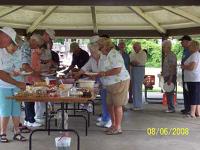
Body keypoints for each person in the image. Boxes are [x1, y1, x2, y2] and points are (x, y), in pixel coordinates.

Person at [73, 38, 111, 128]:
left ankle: (110, 120)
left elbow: (108, 71)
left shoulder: (105, 58)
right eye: (90, 51)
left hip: (109, 82)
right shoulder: (92, 59)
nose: (91, 53)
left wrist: (96, 75)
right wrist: (77, 75)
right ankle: (105, 119)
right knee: (104, 101)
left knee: (109, 101)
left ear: (98, 51)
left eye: (92, 52)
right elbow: (84, 68)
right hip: (100, 81)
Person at [96, 37, 130, 135]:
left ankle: (118, 127)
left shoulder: (115, 54)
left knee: (117, 105)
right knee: (109, 104)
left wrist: (104, 74)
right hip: (110, 84)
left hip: (120, 82)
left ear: (106, 46)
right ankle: (113, 124)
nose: (99, 49)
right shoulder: (105, 55)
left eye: (100, 47)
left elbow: (117, 70)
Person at [0, 27, 27, 143]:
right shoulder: (1, 52)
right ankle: (3, 133)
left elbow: (21, 66)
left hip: (16, 84)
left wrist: (19, 71)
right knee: (5, 110)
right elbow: (1, 73)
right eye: (13, 44)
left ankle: (17, 132)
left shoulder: (17, 52)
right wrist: (18, 82)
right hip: (3, 85)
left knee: (16, 110)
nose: (15, 47)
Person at [23, 34, 44, 127]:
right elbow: (25, 65)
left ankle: (28, 119)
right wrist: (36, 74)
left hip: (30, 78)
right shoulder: (26, 48)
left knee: (30, 100)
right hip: (29, 78)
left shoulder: (29, 49)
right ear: (34, 41)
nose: (37, 47)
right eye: (37, 45)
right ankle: (30, 120)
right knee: (29, 100)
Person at [182, 40, 200, 118]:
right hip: (194, 78)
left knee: (193, 95)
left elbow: (192, 67)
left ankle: (192, 113)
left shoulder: (194, 55)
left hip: (192, 78)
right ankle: (198, 112)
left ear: (193, 46)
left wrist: (184, 66)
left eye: (190, 46)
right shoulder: (196, 54)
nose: (188, 47)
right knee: (197, 96)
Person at [129, 42, 147, 110]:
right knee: (134, 88)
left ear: (139, 47)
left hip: (140, 69)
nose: (134, 48)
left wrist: (134, 62)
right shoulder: (132, 53)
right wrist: (133, 62)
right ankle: (135, 104)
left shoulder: (143, 53)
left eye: (135, 47)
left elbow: (139, 62)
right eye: (133, 47)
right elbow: (131, 61)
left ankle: (138, 105)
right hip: (133, 70)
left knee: (138, 87)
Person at [162, 40, 177, 113]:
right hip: (167, 75)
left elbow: (172, 67)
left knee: (170, 92)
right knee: (168, 92)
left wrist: (170, 78)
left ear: (168, 47)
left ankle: (171, 108)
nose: (163, 48)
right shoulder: (167, 54)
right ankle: (170, 107)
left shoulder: (171, 55)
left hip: (170, 76)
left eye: (164, 47)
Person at [179, 35, 192, 114]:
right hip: (185, 73)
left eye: (182, 41)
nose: (181, 43)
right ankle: (186, 107)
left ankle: (191, 108)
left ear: (187, 42)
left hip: (190, 75)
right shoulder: (185, 50)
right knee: (185, 91)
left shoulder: (191, 50)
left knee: (189, 91)